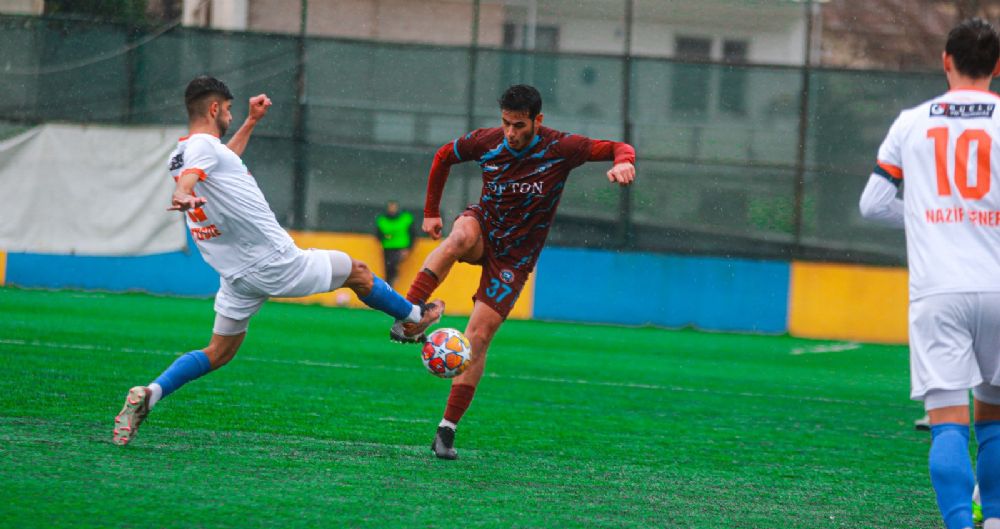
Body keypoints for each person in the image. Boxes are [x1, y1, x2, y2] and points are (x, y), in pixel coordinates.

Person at [112, 76, 444, 446]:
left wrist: (251, 122)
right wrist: (183, 192)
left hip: (236, 275)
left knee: (218, 352)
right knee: (359, 272)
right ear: (214, 109)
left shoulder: (185, 151)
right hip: (273, 262)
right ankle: (413, 319)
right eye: (230, 110)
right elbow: (190, 180)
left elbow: (221, 162)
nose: (231, 115)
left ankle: (150, 394)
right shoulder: (202, 151)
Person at [391, 84, 636, 459]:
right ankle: (409, 313)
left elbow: (618, 147)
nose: (511, 133)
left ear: (538, 120)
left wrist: (623, 161)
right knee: (459, 237)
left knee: (478, 336)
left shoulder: (561, 148)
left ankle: (446, 432)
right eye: (506, 123)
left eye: (519, 125)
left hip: (515, 258)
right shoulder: (487, 141)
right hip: (484, 228)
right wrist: (430, 212)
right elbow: (443, 156)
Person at [859, 18, 1000, 529]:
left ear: (945, 60)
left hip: (938, 290)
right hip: (999, 288)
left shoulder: (911, 123)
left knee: (947, 426)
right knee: (994, 424)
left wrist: (927, 220)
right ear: (998, 66)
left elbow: (873, 204)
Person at [375, 200, 416, 286]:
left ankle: (393, 278)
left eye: (394, 207)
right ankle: (389, 285)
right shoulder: (382, 219)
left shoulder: (406, 218)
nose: (392, 209)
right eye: (390, 207)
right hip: (387, 247)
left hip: (401, 247)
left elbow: (413, 234)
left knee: (393, 263)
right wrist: (385, 237)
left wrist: (408, 248)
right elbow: (378, 234)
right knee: (388, 268)